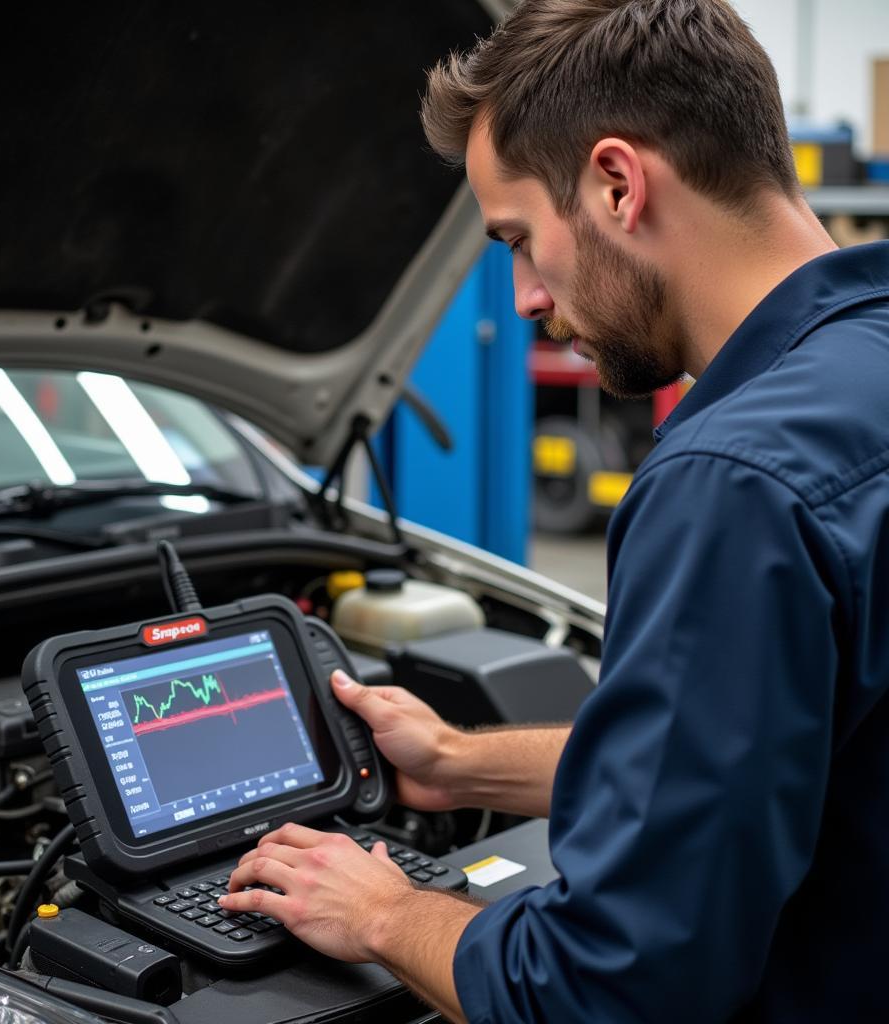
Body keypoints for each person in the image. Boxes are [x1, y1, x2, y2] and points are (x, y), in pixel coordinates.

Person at [221, 1, 889, 1019]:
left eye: (520, 240)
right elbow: (756, 760)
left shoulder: (732, 484)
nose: (526, 296)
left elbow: (612, 989)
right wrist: (453, 764)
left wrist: (385, 913)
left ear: (618, 184)